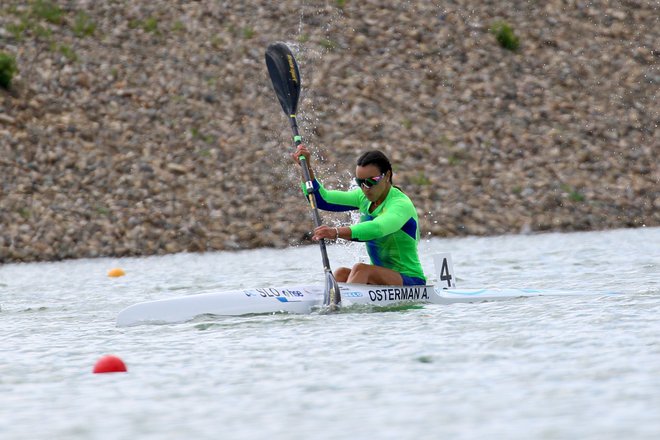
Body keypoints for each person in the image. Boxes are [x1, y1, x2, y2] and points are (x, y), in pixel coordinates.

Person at [292, 144, 426, 286]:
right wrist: (305, 168)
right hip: (381, 278)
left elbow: (377, 228)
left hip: (411, 281)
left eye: (370, 182)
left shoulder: (400, 204)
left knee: (361, 269)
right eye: (360, 182)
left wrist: (336, 232)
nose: (365, 188)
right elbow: (321, 199)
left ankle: (343, 306)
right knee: (341, 273)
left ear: (387, 175)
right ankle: (329, 305)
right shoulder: (363, 197)